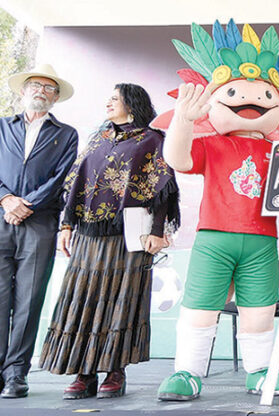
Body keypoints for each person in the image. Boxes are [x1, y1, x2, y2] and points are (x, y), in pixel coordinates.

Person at [153, 21, 279, 400]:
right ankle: (188, 371)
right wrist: (183, 119)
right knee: (201, 306)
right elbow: (177, 159)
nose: (252, 100)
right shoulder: (212, 145)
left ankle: (260, 371)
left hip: (262, 241)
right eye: (232, 92)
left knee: (259, 309)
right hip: (214, 239)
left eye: (266, 94)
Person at [39, 83, 179, 399]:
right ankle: (84, 373)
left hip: (129, 236)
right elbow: (76, 183)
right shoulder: (98, 138)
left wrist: (158, 232)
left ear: (132, 103)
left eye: (115, 98)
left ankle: (115, 371)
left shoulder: (152, 139)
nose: (108, 102)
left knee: (121, 300)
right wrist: (66, 225)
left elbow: (163, 188)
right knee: (84, 298)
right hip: (89, 235)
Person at [0, 63, 78, 398]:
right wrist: (6, 199)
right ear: (23, 90)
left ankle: (16, 374)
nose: (41, 91)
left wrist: (26, 204)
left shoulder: (66, 134)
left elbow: (62, 178)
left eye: (49, 88)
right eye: (35, 85)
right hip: (1, 217)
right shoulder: (2, 126)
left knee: (29, 300)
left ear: (56, 97)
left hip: (40, 221)